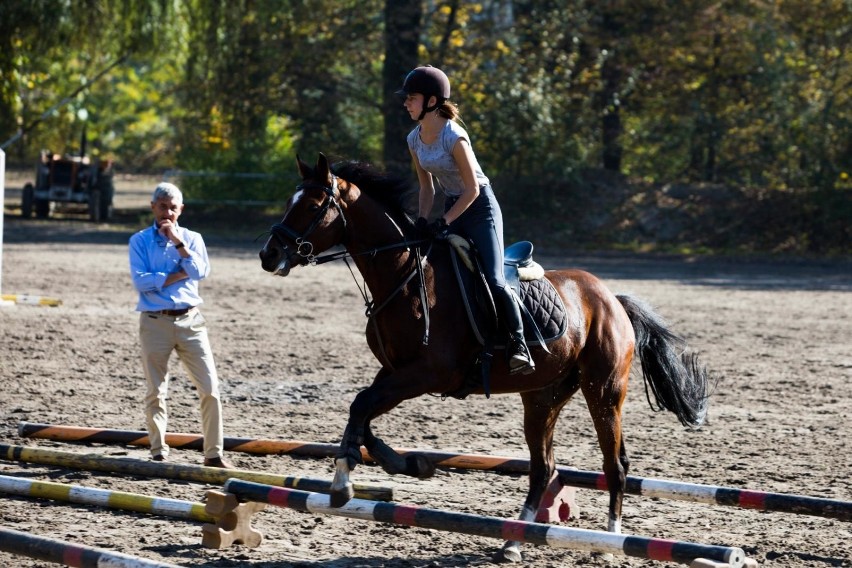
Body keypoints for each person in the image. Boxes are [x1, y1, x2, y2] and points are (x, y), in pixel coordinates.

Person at [399, 65, 534, 375]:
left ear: (432, 102)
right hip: (451, 206)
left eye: (412, 98)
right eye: (406, 98)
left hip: (480, 208)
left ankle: (518, 344)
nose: (406, 103)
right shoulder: (413, 139)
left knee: (495, 281)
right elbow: (426, 187)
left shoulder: (454, 136)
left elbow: (472, 189)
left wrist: (445, 221)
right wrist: (422, 219)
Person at [128, 182, 234, 468]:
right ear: (153, 207)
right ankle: (158, 450)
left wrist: (177, 241)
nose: (167, 212)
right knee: (156, 390)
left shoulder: (193, 238)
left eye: (173, 207)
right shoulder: (139, 240)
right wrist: (178, 274)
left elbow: (200, 271)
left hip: (191, 320)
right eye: (162, 206)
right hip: (154, 322)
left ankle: (213, 454)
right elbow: (142, 283)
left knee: (210, 389)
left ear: (181, 210)